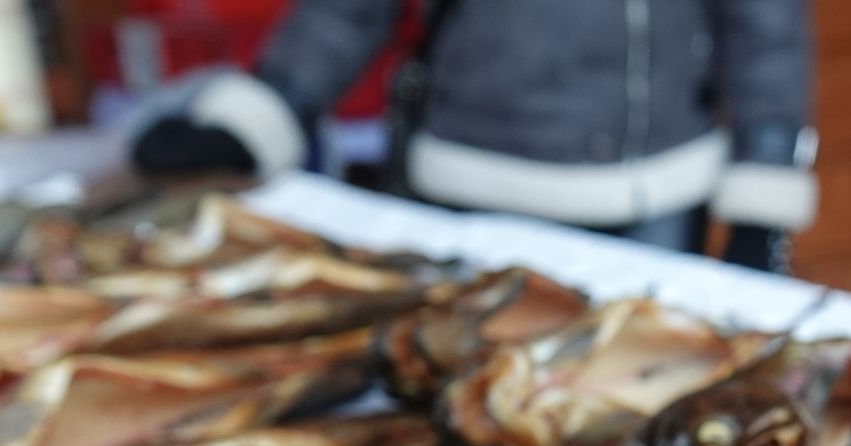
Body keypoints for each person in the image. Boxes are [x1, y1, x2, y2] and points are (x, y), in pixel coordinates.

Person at [130, 0, 816, 272]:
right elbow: (348, 10)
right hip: (464, 195)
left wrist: (761, 198)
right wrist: (261, 114)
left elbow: (767, 34)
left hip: (648, 204)